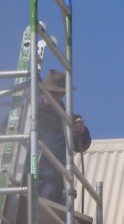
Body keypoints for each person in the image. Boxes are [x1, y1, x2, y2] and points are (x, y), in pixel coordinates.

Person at [35, 70, 91, 206]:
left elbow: (81, 146)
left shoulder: (67, 119)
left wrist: (81, 131)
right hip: (29, 172)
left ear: (62, 94)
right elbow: (5, 129)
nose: (49, 95)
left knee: (48, 216)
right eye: (47, 91)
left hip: (53, 181)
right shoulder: (30, 112)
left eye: (54, 92)